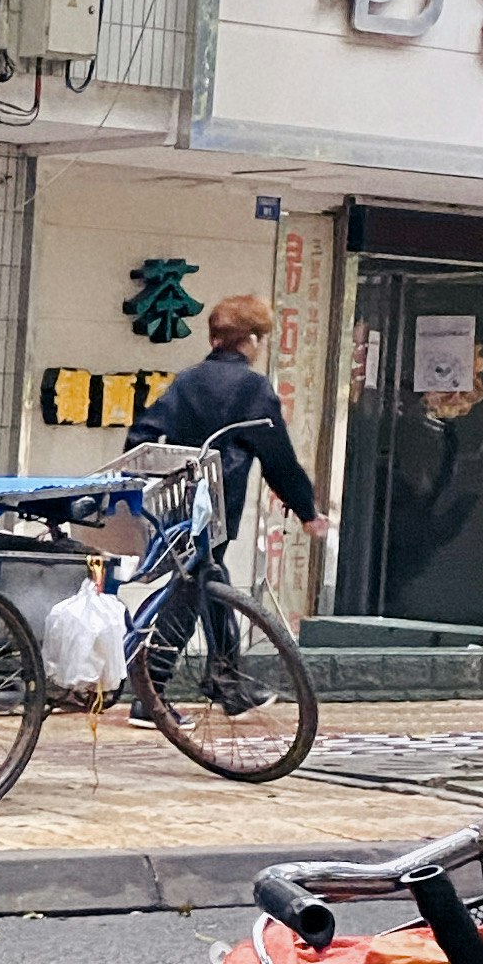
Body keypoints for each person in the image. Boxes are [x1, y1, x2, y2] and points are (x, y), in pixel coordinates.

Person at [123, 290, 320, 709]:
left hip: (176, 502)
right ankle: (150, 691)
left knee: (209, 578)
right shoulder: (252, 387)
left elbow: (141, 433)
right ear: (249, 340)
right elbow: (278, 457)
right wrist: (306, 510)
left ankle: (226, 683)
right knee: (193, 584)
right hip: (218, 502)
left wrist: (146, 482)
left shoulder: (188, 379)